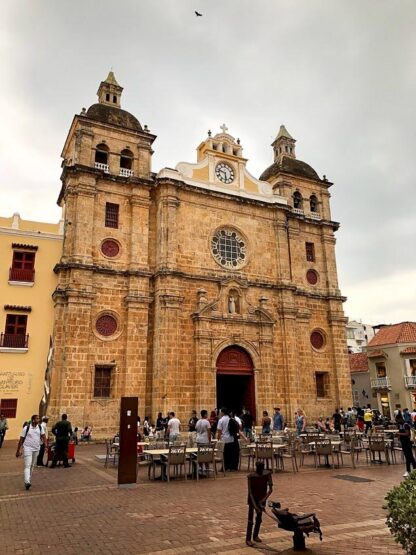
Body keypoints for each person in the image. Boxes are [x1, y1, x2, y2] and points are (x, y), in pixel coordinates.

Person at [246, 461, 273, 547]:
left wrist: (263, 500)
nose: (260, 470)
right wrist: (254, 505)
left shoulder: (267, 474)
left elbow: (270, 490)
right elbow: (250, 492)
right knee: (250, 520)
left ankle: (255, 535)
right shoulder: (251, 477)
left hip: (262, 498)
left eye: (262, 467)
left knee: (259, 518)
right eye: (259, 468)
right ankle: (248, 539)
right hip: (253, 499)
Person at [16, 414, 46, 490]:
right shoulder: (27, 428)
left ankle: (28, 479)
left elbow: (43, 435)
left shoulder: (40, 427)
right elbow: (21, 439)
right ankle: (27, 482)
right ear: (33, 420)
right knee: (27, 465)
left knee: (32, 465)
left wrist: (46, 444)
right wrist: (18, 450)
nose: (38, 420)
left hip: (36, 448)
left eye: (39, 419)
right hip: (27, 448)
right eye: (37, 419)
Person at [396, 413, 416, 477]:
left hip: (407, 443)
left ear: (400, 419)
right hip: (403, 443)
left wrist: (399, 434)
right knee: (409, 457)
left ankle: (409, 470)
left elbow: (407, 434)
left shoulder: (405, 425)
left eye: (397, 420)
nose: (397, 422)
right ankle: (412, 469)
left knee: (409, 457)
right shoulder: (400, 425)